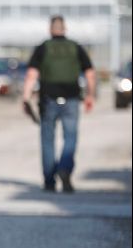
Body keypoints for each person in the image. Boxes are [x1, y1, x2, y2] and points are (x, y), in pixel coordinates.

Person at [21, 14, 96, 193]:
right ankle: (64, 168)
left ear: (50, 29)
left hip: (48, 100)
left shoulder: (42, 48)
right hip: (71, 99)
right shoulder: (76, 47)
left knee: (48, 140)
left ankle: (49, 181)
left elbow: (32, 75)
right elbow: (90, 74)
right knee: (70, 138)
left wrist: (26, 98)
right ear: (64, 29)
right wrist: (90, 96)